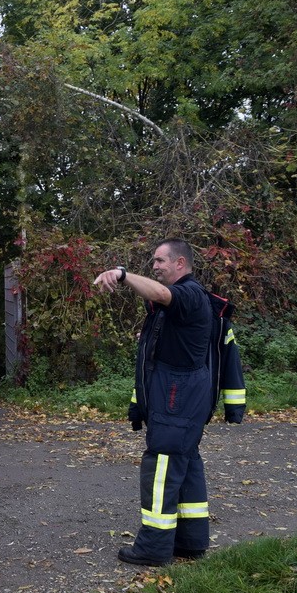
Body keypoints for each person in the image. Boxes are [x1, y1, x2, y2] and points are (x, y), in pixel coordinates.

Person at [93, 239, 214, 567]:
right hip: (179, 392)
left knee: (161, 463)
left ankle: (154, 547)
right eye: (153, 261)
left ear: (180, 263)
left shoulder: (190, 294)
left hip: (180, 394)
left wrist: (121, 274)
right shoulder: (175, 304)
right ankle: (189, 542)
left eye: (161, 260)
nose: (155, 266)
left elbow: (161, 294)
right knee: (184, 462)